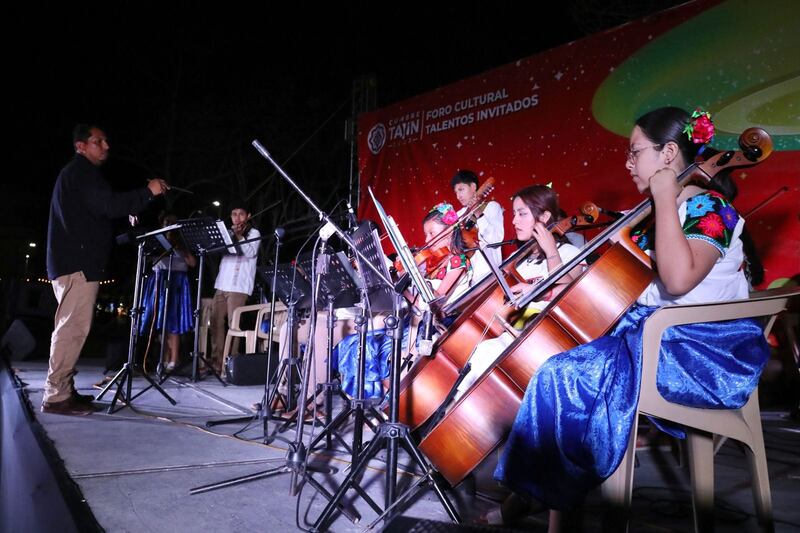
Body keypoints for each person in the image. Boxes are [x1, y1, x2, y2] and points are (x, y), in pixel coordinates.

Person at [490, 107, 771, 527]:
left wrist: (662, 197)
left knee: (565, 375)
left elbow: (676, 281)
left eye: (635, 152)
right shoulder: (653, 218)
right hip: (653, 339)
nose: (627, 163)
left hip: (702, 353)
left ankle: (543, 504)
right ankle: (544, 496)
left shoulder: (713, 209)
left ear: (669, 153)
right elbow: (615, 282)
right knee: (558, 365)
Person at [44, 123, 168, 416]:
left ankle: (64, 389)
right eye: (99, 141)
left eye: (106, 141)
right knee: (72, 330)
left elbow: (97, 210)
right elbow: (107, 204)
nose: (106, 146)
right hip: (77, 264)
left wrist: (128, 209)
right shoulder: (80, 172)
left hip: (76, 262)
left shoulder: (80, 175)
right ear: (81, 146)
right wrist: (148, 192)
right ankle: (56, 396)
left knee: (73, 328)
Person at [455, 185, 584, 398]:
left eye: (522, 214)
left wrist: (550, 250)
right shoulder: (521, 262)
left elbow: (569, 296)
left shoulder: (569, 252)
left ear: (545, 216)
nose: (514, 221)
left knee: (488, 351)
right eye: (514, 214)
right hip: (514, 334)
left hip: (544, 342)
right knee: (478, 350)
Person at [139, 213, 197, 373]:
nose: (170, 225)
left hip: (177, 281)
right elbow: (150, 261)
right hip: (159, 279)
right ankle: (162, 358)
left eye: (173, 222)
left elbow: (193, 263)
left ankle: (173, 359)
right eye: (167, 222)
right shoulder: (156, 240)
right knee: (159, 322)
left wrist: (182, 249)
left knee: (173, 322)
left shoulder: (183, 242)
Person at [210, 201, 260, 374]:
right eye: (233, 214)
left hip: (239, 286)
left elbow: (251, 252)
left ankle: (230, 364)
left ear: (248, 216)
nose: (237, 217)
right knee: (215, 322)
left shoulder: (254, 232)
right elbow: (215, 251)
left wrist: (239, 238)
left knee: (234, 326)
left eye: (241, 214)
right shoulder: (228, 233)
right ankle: (217, 362)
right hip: (222, 283)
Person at [451, 169, 504, 275]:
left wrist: (479, 214)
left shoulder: (491, 207)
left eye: (461, 189)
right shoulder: (458, 216)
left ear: (474, 187)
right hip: (467, 279)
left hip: (490, 274)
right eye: (456, 192)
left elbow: (495, 240)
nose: (458, 196)